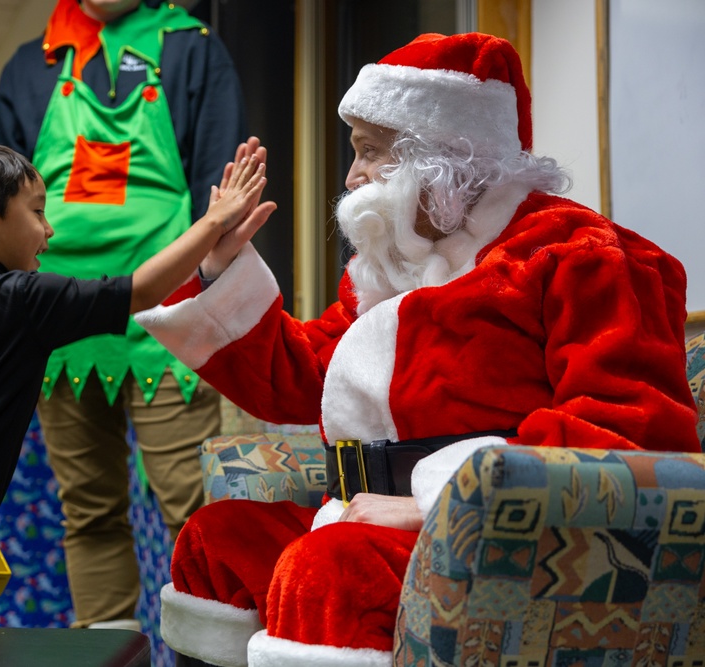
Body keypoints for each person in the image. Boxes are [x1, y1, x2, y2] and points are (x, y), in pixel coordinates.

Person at [132, 32, 702, 667]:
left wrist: (431, 502)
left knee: (332, 573)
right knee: (216, 543)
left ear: (439, 155)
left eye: (370, 153)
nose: (352, 178)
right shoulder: (391, 271)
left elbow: (629, 428)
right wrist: (219, 268)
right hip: (362, 517)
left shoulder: (582, 255)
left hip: (498, 533)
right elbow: (300, 379)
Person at [0, 137, 275, 657]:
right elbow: (140, 291)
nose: (49, 229)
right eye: (37, 212)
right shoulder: (18, 299)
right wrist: (215, 220)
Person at [0, 0, 248, 630]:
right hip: (58, 319)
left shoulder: (193, 49)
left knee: (190, 503)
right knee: (89, 509)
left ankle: (213, 650)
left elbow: (221, 196)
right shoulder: (31, 65)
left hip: (167, 318)